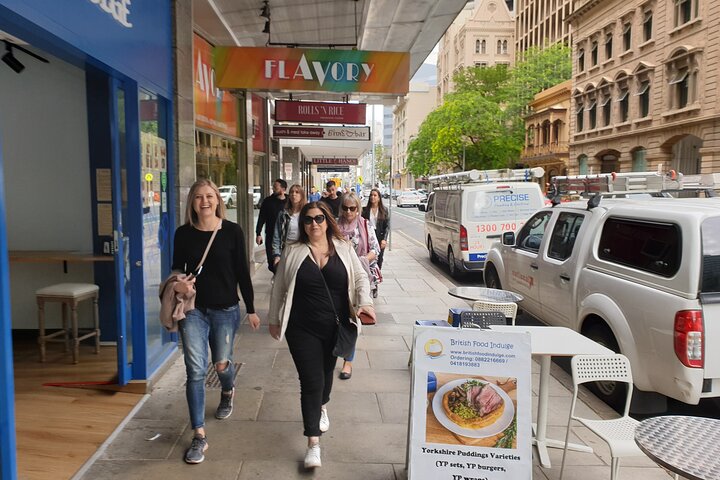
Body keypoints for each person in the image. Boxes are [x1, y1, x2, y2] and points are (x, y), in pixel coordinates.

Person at [268, 201, 375, 469]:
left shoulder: (344, 248)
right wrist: (273, 319)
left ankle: (323, 405)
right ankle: (313, 444)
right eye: (307, 220)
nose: (313, 224)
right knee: (311, 381)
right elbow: (279, 286)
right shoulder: (292, 251)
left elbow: (361, 278)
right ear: (301, 224)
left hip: (335, 326)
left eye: (318, 219)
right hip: (300, 327)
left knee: (326, 376)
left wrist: (366, 302)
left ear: (327, 221)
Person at [172, 179, 261, 465]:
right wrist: (178, 285)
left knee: (221, 363)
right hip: (194, 309)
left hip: (225, 308)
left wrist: (251, 307)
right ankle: (199, 434)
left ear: (218, 200)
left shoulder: (232, 231)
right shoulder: (183, 234)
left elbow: (242, 272)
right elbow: (175, 269)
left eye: (209, 196)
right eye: (199, 197)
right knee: (196, 370)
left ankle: (227, 389)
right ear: (192, 203)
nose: (205, 201)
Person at [337, 192, 380, 380]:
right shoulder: (334, 225)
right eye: (345, 208)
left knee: (352, 321)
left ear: (358, 209)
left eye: (352, 208)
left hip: (358, 279)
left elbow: (375, 250)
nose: (348, 212)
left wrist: (360, 261)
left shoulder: (365, 224)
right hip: (337, 277)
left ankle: (348, 361)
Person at [271, 184, 307, 268]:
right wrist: (277, 255)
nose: (293, 194)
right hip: (287, 248)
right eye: (291, 192)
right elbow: (277, 235)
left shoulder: (306, 213)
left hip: (302, 248)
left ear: (302, 195)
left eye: (297, 192)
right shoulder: (283, 214)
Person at [255, 179, 287, 273]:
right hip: (271, 236)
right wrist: (258, 233)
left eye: (275, 188)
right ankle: (276, 275)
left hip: (286, 237)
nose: (273, 189)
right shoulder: (268, 201)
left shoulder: (289, 201)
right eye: (273, 187)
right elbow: (261, 218)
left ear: (283, 189)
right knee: (272, 262)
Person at [361, 187, 390, 270]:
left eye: (375, 195)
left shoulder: (384, 210)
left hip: (379, 236)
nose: (372, 197)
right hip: (368, 237)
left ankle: (377, 276)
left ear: (379, 198)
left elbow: (387, 226)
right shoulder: (365, 210)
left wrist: (384, 239)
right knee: (369, 257)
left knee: (379, 258)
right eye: (371, 195)